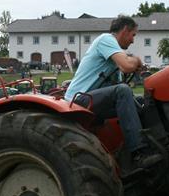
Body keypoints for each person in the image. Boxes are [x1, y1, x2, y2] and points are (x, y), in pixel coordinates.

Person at [63, 15, 161, 169]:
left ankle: (155, 143)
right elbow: (127, 66)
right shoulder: (106, 39)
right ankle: (138, 153)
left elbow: (121, 77)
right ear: (125, 30)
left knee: (142, 103)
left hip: (92, 99)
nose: (133, 40)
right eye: (133, 35)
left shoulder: (114, 56)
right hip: (79, 99)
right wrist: (136, 60)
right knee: (123, 91)